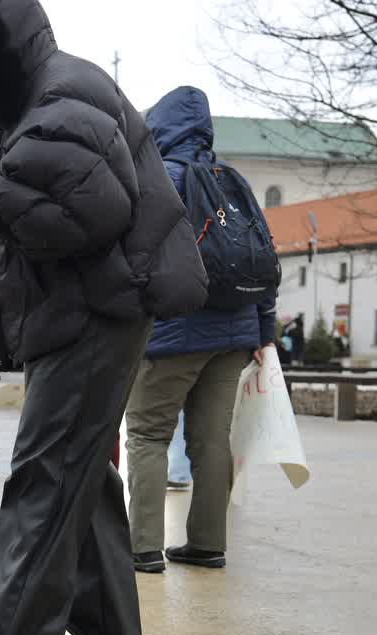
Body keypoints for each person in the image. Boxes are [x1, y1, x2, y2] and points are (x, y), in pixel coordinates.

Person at [0, 0, 208, 635]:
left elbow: (88, 213)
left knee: (45, 474)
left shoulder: (62, 96)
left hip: (94, 314)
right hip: (88, 310)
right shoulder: (45, 96)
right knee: (80, 479)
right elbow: (40, 217)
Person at [124, 86, 278, 574]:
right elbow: (264, 255)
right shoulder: (231, 180)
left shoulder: (158, 178)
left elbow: (134, 256)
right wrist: (264, 330)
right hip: (234, 336)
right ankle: (208, 543)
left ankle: (143, 547)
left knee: (147, 434)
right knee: (213, 440)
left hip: (173, 333)